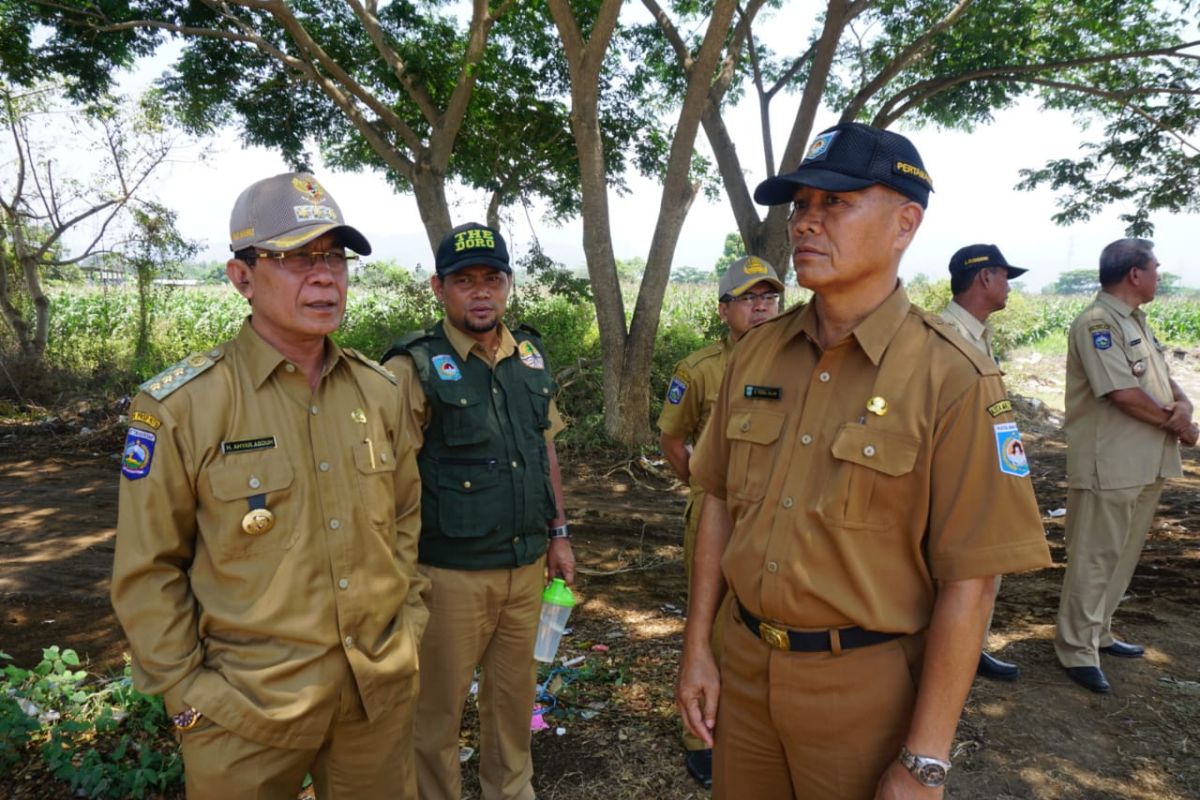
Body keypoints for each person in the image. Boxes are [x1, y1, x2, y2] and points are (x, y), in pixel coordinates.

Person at [674, 122, 1052, 800]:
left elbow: (973, 580)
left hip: (863, 690)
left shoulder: (953, 377)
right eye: (802, 207)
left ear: (906, 223)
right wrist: (699, 646)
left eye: (836, 203)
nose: (807, 225)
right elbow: (720, 502)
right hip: (746, 668)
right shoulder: (756, 355)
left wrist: (925, 759)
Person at [112, 172, 428, 799]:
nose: (324, 275)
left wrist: (410, 624)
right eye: (294, 258)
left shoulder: (380, 391)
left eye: (335, 256)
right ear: (242, 277)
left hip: (375, 695)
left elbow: (404, 520)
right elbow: (149, 569)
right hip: (244, 713)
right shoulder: (182, 405)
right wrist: (186, 692)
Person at [381, 222, 576, 800]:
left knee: (513, 704)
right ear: (440, 289)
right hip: (448, 575)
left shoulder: (531, 357)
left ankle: (510, 792)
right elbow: (386, 478)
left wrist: (559, 533)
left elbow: (544, 448)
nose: (481, 291)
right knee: (434, 715)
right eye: (465, 281)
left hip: (525, 569)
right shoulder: (412, 366)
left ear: (508, 285)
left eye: (492, 278)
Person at [657, 255, 784, 787]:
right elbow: (671, 439)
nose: (760, 308)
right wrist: (707, 492)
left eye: (769, 297)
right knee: (707, 617)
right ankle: (700, 734)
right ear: (723, 309)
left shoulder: (799, 363)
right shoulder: (701, 369)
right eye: (749, 299)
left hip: (777, 517)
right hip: (716, 514)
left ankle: (755, 719)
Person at [1054, 238, 1198, 694]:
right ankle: (1076, 648)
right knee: (1095, 557)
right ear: (1134, 274)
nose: (1159, 274)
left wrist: (1184, 404)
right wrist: (1180, 427)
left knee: (1122, 555)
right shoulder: (1098, 323)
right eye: (1155, 267)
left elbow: (1158, 375)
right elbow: (1121, 392)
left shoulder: (1134, 320)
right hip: (1109, 463)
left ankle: (1099, 631)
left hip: (1143, 461)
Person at [937, 243, 1029, 682]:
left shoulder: (977, 333)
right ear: (985, 278)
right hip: (955, 474)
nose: (1009, 286)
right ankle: (949, 649)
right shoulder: (942, 335)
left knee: (984, 566)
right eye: (1004, 276)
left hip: (984, 466)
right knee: (957, 570)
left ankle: (970, 645)